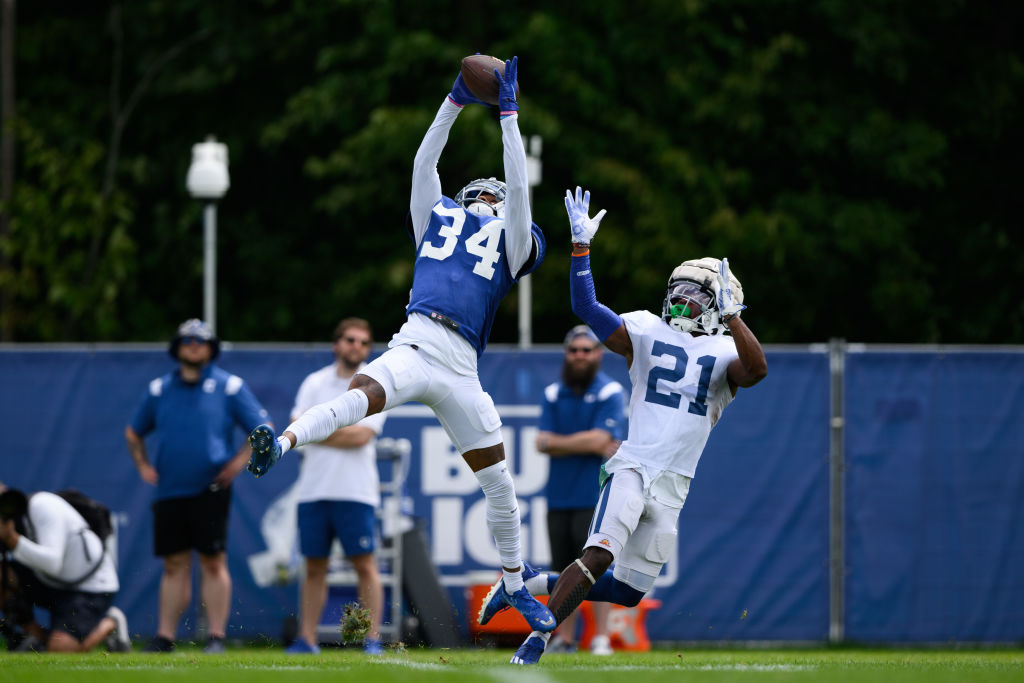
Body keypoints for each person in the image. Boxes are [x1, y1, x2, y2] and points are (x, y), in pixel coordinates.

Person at [246, 57, 556, 635]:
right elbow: (423, 163)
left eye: (496, 197)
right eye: (482, 194)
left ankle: (513, 582)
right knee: (355, 395)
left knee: (501, 486)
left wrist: (509, 117)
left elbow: (518, 191)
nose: (489, 200)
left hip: (462, 368)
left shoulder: (513, 244)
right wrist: (454, 101)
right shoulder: (437, 218)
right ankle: (281, 443)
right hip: (416, 340)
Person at [501, 187, 768, 664]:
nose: (682, 301)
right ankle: (537, 640)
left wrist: (732, 316)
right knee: (598, 555)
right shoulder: (645, 329)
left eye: (697, 295)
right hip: (633, 466)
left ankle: (522, 582)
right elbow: (587, 310)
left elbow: (758, 370)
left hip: (674, 483)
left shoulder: (729, 350)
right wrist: (581, 249)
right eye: (680, 291)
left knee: (626, 592)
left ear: (722, 305)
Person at [124, 318, 270, 654]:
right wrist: (144, 466)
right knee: (174, 564)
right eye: (187, 340)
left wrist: (237, 464)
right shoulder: (159, 388)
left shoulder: (229, 386)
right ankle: (165, 637)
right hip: (170, 490)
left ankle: (215, 637)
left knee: (212, 561)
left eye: (200, 341)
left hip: (211, 489)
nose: (193, 345)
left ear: (210, 348)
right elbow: (133, 432)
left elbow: (262, 428)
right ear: (177, 347)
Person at [285, 318, 388, 656]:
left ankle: (372, 639)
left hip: (356, 492)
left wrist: (316, 430)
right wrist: (315, 432)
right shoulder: (314, 383)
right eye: (349, 340)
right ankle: (307, 639)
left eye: (362, 341)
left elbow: (362, 437)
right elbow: (296, 430)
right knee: (314, 567)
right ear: (336, 344)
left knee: (365, 566)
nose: (355, 346)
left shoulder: (375, 385)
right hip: (314, 490)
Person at [534, 325, 625, 655]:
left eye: (587, 350)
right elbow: (541, 443)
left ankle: (600, 637)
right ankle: (563, 638)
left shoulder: (610, 391)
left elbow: (602, 440)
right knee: (562, 571)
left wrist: (561, 443)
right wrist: (587, 442)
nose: (580, 356)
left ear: (598, 354)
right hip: (558, 497)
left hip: (596, 496)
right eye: (574, 350)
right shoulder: (553, 393)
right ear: (566, 354)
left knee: (597, 569)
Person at [0, 483, 131, 653]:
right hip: (50, 582)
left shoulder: (42, 505)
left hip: (91, 587)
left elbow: (53, 563)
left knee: (60, 648)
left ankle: (111, 622)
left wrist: (10, 538)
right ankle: (36, 639)